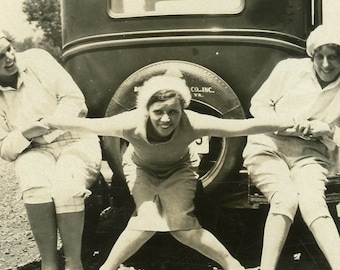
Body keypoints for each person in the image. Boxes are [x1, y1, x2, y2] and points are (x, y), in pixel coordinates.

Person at [44, 69, 293, 270]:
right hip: (141, 169)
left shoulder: (193, 121)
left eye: (173, 111)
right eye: (158, 112)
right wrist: (48, 122)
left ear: (182, 108)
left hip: (180, 169)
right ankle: (108, 267)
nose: (166, 119)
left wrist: (288, 122)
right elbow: (87, 125)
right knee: (147, 221)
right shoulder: (130, 123)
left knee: (183, 227)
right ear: (146, 110)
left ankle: (232, 266)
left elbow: (242, 127)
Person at [0, 31, 102, 270]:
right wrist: (26, 133)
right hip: (33, 149)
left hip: (75, 138)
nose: (9, 57)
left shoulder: (38, 59)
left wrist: (44, 129)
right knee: (35, 187)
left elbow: (75, 101)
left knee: (66, 187)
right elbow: (4, 149)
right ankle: (49, 262)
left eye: (8, 49)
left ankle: (73, 262)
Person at [243, 24, 340, 270]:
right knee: (284, 199)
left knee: (313, 202)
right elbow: (259, 106)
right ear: (312, 56)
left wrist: (328, 130)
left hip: (310, 154)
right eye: (320, 56)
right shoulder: (288, 69)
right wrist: (284, 126)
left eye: (334, 57)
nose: (326, 65)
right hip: (268, 146)